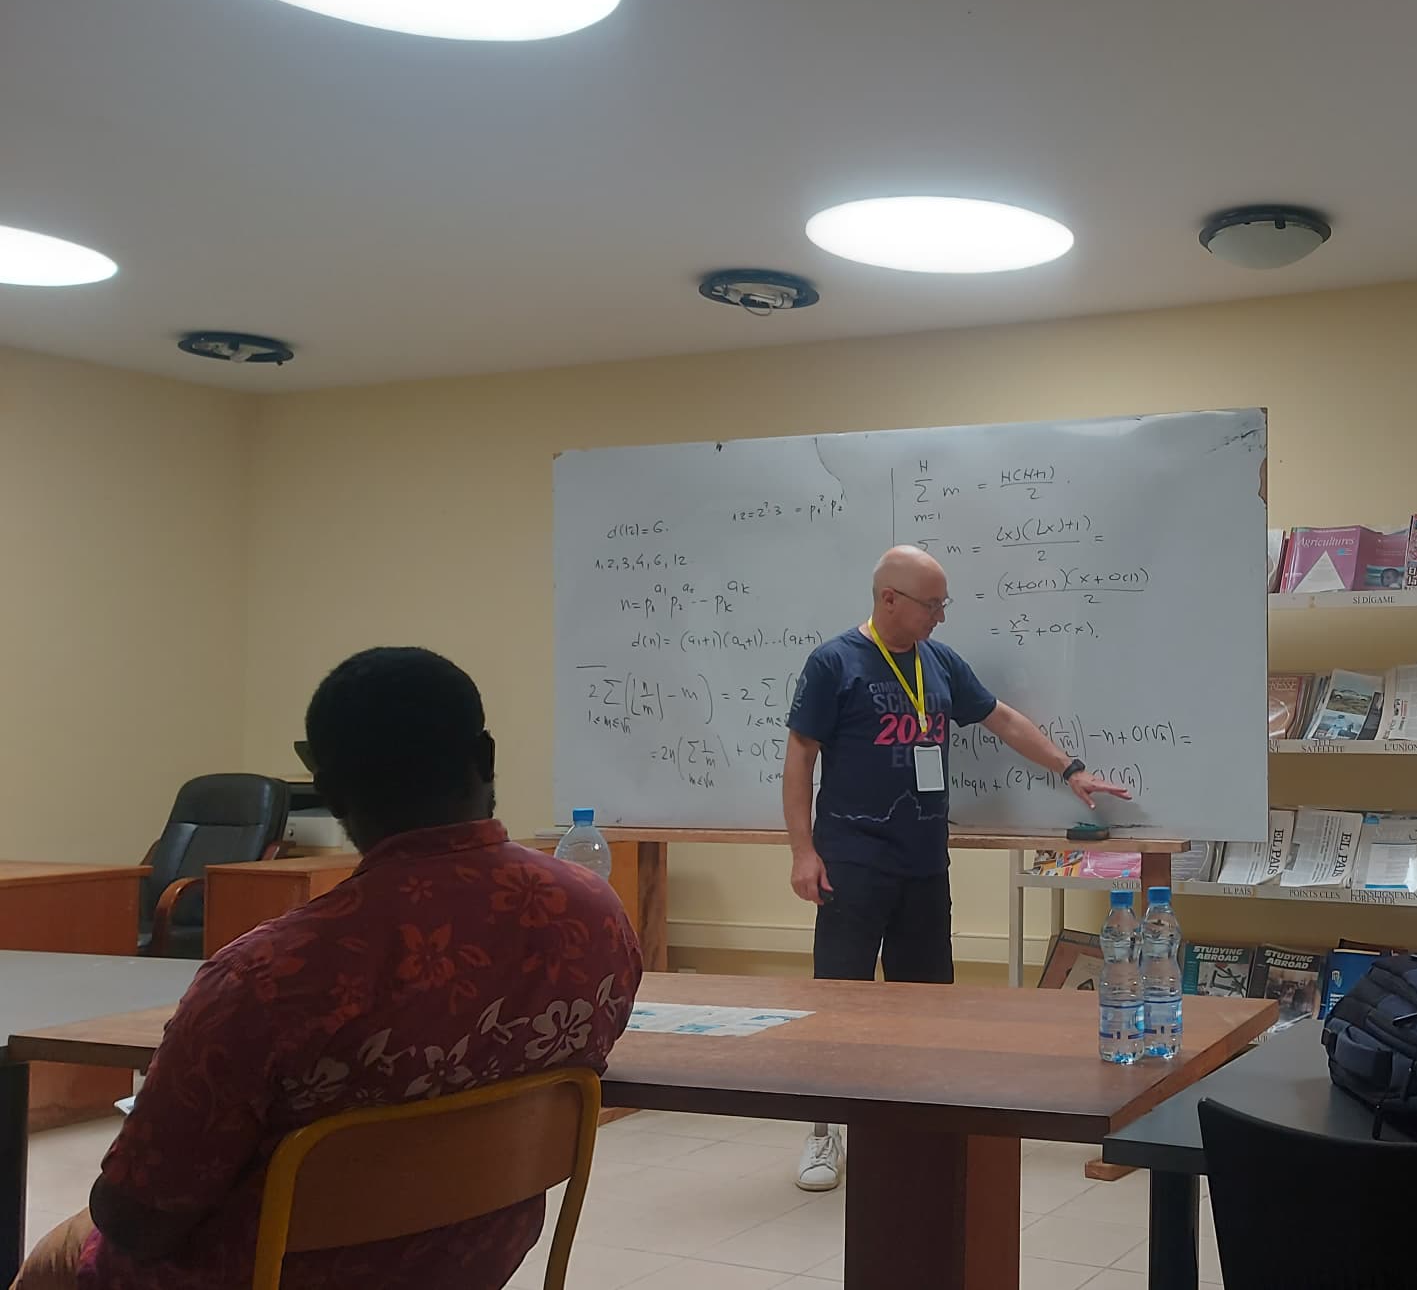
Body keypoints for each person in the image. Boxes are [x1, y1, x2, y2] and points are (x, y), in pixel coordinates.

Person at [11, 648, 644, 1290]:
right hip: (466, 1263)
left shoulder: (269, 977)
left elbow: (136, 1218)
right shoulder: (594, 917)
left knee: (56, 1257)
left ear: (330, 790)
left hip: (264, 1275)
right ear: (484, 759)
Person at [781, 545, 1130, 1191]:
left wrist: (1070, 769)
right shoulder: (835, 662)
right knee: (839, 1001)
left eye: (944, 603)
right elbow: (800, 755)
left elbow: (1001, 718)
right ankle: (824, 1133)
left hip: (922, 861)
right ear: (889, 599)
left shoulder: (938, 662)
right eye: (932, 604)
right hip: (851, 860)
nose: (941, 616)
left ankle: (924, 1127)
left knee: (928, 1002)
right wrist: (803, 851)